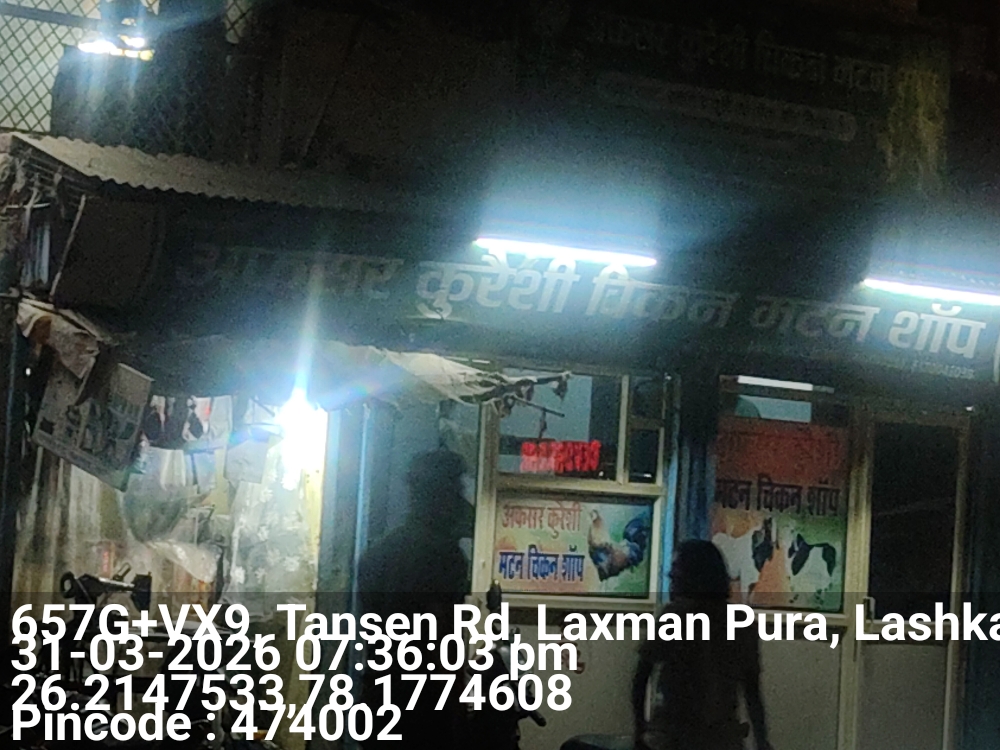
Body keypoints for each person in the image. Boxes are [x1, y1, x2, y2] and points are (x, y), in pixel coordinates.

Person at [357, 448, 472, 748]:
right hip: (424, 711)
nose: (460, 500)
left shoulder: (378, 553)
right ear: (440, 495)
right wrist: (457, 713)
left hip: (379, 700)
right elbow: (443, 644)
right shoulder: (444, 557)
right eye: (456, 489)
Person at [632, 540, 771, 750]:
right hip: (722, 738)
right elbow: (752, 690)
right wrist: (762, 741)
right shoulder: (741, 621)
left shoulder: (674, 616)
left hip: (674, 737)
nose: (671, 574)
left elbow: (641, 678)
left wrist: (640, 730)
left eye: (677, 568)